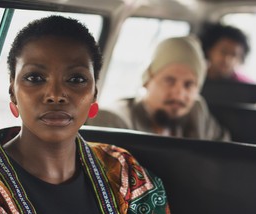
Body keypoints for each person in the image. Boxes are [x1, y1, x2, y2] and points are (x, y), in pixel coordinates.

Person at [0, 16, 182, 214]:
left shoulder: (125, 173)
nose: (56, 95)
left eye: (76, 79)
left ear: (94, 94)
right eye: (35, 78)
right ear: (12, 92)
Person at [87, 36, 230, 141]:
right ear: (147, 81)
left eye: (189, 84)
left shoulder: (196, 110)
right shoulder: (112, 119)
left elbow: (223, 154)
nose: (179, 93)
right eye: (169, 80)